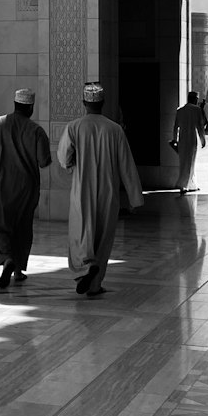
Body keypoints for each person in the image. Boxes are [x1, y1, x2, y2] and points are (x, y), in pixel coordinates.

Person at [57, 82, 143, 297]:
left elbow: (63, 157)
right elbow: (126, 164)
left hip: (82, 190)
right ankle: (94, 285)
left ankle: (85, 266)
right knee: (103, 238)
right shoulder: (115, 129)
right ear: (103, 103)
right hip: (108, 191)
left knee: (80, 233)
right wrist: (135, 198)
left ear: (84, 103)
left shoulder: (74, 127)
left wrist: (72, 164)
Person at [0, 87, 52, 290]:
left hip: (2, 186)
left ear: (15, 105)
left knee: (1, 225)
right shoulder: (36, 130)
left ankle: (6, 258)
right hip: (27, 188)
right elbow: (44, 161)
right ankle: (18, 270)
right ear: (30, 108)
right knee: (23, 227)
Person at [171, 90, 207, 191]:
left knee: (183, 161)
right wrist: (202, 139)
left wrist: (175, 139)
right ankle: (184, 185)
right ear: (195, 99)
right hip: (191, 138)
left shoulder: (180, 110)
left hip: (182, 139)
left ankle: (190, 184)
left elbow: (175, 127)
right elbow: (200, 126)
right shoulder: (197, 110)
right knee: (191, 161)